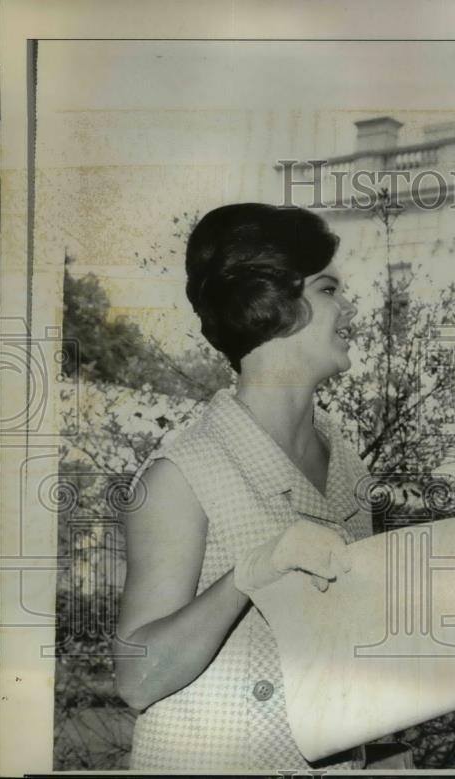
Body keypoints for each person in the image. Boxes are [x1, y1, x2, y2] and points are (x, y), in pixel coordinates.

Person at [114, 204, 374, 771]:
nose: (351, 310)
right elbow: (136, 679)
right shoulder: (181, 473)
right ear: (271, 305)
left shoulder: (349, 467)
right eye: (330, 289)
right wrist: (255, 571)